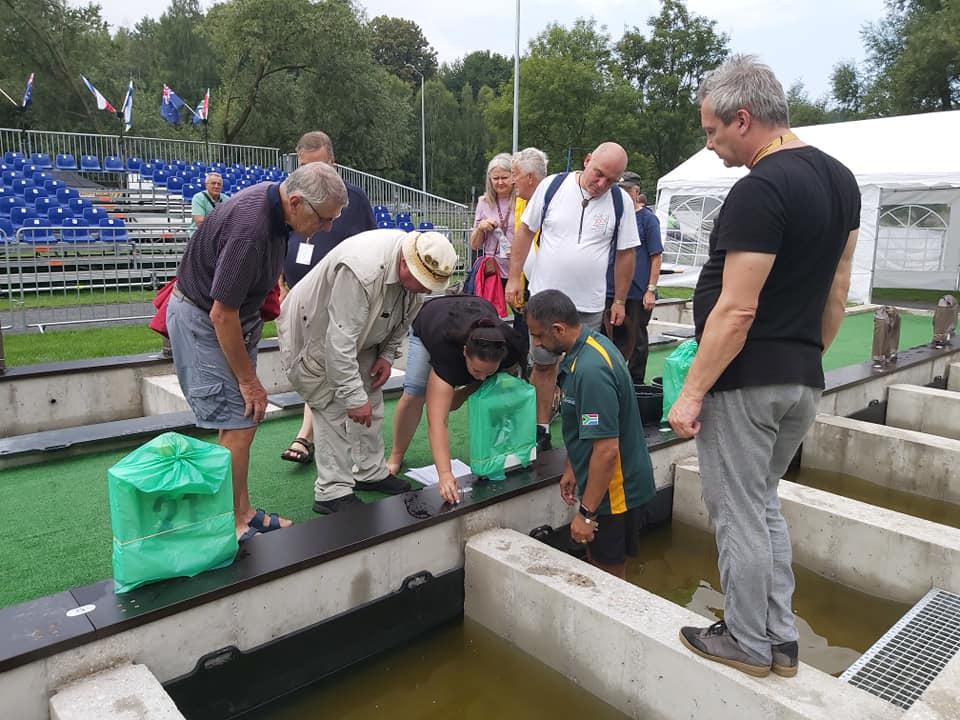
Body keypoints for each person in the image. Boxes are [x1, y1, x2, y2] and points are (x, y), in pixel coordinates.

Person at [668, 55, 860, 679]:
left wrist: (693, 391)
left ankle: (747, 642)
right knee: (764, 506)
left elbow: (738, 307)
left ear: (742, 118)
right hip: (803, 376)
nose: (710, 144)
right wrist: (807, 360)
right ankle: (778, 638)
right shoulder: (841, 181)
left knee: (738, 513)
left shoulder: (762, 187)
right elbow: (838, 289)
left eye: (711, 131)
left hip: (747, 382)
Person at [166, 162, 348, 542]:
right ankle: (232, 523)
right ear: (297, 202)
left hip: (228, 318)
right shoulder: (251, 229)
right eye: (324, 219)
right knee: (239, 420)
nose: (328, 227)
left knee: (240, 425)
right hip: (205, 320)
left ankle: (242, 511)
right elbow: (221, 313)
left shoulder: (277, 205)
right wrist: (249, 381)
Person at [277, 229, 458, 515]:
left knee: (371, 399)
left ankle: (369, 471)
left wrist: (386, 356)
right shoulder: (361, 270)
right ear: (404, 265)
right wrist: (352, 397)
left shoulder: (415, 268)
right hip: (315, 333)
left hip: (363, 333)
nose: (425, 290)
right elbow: (339, 341)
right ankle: (331, 491)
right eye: (423, 283)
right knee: (332, 406)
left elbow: (405, 316)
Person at [505, 142, 641, 452]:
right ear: (587, 160)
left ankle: (585, 432)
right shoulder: (553, 186)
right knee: (542, 365)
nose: (603, 184)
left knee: (588, 373)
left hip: (588, 306)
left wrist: (619, 300)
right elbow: (525, 232)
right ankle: (541, 429)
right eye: (599, 174)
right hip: (544, 300)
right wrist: (514, 277)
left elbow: (626, 254)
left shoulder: (620, 202)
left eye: (612, 180)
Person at [525, 289, 655, 579]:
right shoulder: (583, 351)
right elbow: (584, 424)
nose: (535, 343)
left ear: (558, 329)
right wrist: (572, 466)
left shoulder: (591, 371)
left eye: (538, 336)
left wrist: (587, 514)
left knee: (609, 574)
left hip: (616, 491)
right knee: (596, 558)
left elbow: (607, 450)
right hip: (604, 485)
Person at [279, 130, 376, 465]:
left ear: (333, 162)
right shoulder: (293, 195)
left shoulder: (354, 199)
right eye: (305, 166)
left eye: (319, 166)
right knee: (312, 365)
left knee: (329, 364)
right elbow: (283, 239)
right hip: (298, 296)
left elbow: (370, 246)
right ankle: (315, 436)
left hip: (339, 298)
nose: (313, 175)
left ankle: (307, 436)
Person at [386, 295, 529, 503]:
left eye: (489, 372)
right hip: (429, 318)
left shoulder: (511, 346)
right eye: (477, 370)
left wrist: (466, 391)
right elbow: (438, 422)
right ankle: (396, 455)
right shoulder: (446, 352)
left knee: (477, 387)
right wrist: (445, 474)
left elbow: (500, 384)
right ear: (464, 353)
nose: (481, 376)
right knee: (415, 393)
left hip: (475, 307)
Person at [602, 172, 663, 384]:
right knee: (607, 336)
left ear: (636, 191)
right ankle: (611, 379)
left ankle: (635, 382)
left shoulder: (648, 220)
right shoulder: (613, 215)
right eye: (619, 190)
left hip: (637, 291)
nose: (623, 194)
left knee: (636, 338)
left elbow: (656, 256)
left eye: (627, 190)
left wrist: (651, 289)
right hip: (610, 288)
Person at [470, 153, 515, 298]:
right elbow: (474, 245)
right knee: (489, 314)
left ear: (513, 177)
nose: (500, 182)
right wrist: (480, 227)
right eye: (496, 178)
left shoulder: (522, 200)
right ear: (490, 179)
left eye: (504, 177)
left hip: (517, 270)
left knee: (522, 316)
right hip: (492, 270)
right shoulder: (483, 202)